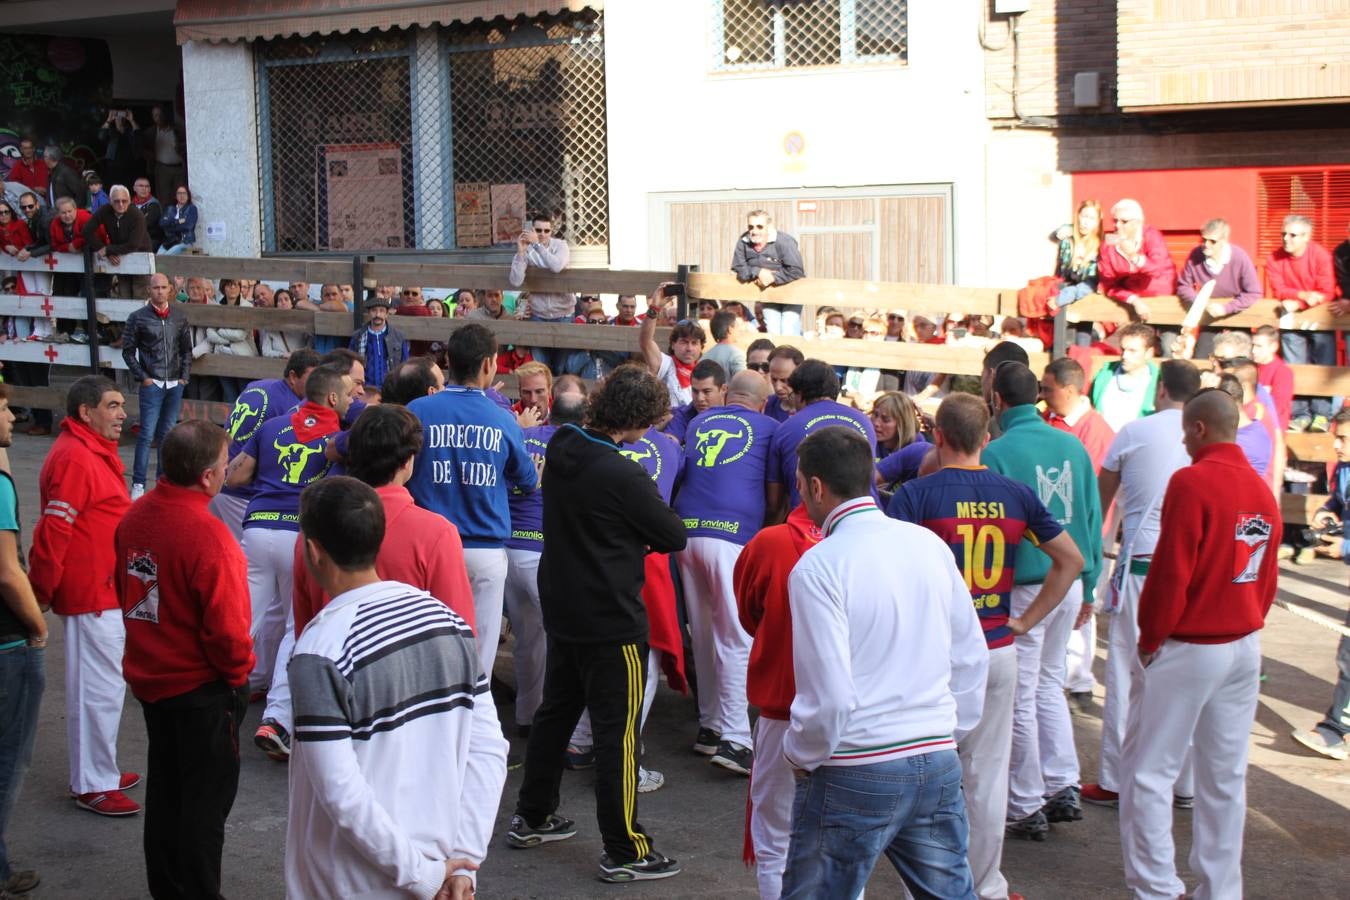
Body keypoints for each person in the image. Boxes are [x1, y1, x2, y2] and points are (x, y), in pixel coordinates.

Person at [889, 393, 1084, 900]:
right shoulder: (1016, 494)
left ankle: (928, 887)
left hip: (938, 651)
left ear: (938, 436)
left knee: (929, 774)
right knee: (988, 775)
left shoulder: (916, 495)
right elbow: (1071, 559)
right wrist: (1025, 620)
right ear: (987, 438)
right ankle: (985, 885)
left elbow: (896, 574)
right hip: (997, 644)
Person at [779, 426, 987, 898]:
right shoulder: (926, 545)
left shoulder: (819, 564)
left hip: (856, 765)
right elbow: (972, 656)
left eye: (799, 482)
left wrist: (798, 751)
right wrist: (946, 734)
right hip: (934, 756)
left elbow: (828, 696)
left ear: (815, 486)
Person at [285, 477, 508, 899]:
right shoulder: (449, 623)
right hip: (441, 868)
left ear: (313, 550)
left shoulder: (320, 647)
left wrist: (420, 874)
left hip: (347, 882)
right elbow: (489, 749)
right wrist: (463, 859)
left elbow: (339, 790)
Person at [508, 365, 687, 883]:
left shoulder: (564, 442)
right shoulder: (624, 472)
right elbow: (671, 533)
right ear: (639, 419)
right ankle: (625, 848)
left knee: (555, 716)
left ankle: (533, 815)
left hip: (563, 606)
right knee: (619, 735)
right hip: (611, 618)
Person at [1119, 390, 1280, 900]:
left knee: (1150, 773)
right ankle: (1220, 889)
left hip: (1192, 643)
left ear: (1199, 429)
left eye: (1187, 431)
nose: (1185, 441)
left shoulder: (1191, 481)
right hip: (1242, 641)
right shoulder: (1260, 489)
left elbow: (1172, 569)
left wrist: (1150, 637)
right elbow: (1268, 578)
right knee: (1224, 776)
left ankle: (1156, 888)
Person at [115, 420, 253, 899]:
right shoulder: (210, 537)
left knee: (168, 795)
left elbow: (131, 594)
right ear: (209, 476)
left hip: (153, 681)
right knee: (202, 809)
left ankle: (168, 887)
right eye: (224, 464)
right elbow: (230, 633)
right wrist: (238, 680)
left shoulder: (136, 517)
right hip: (200, 691)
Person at [983, 362, 1103, 839]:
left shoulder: (998, 452)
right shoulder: (1070, 445)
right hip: (1069, 580)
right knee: (1048, 684)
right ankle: (1060, 782)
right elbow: (1091, 517)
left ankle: (1027, 798)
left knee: (1022, 691)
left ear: (996, 400)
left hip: (1027, 586)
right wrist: (1089, 583)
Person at [1081, 360, 1201, 808]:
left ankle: (1115, 778)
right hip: (1191, 570)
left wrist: (1095, 563)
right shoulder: (1205, 436)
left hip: (1144, 568)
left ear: (1162, 388)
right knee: (1183, 674)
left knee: (1126, 674)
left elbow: (1101, 503)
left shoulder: (1135, 431)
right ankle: (1183, 783)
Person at [225, 365, 351, 760]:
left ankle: (216, 696)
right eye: (347, 395)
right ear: (332, 398)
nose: (352, 401)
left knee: (246, 616)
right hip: (300, 534)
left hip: (258, 528)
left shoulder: (273, 425)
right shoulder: (340, 438)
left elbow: (235, 475)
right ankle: (277, 717)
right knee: (298, 627)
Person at [29, 376, 139, 816]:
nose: (122, 414)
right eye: (112, 406)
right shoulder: (77, 457)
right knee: (97, 690)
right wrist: (40, 592)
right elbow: (55, 529)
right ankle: (93, 782)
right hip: (90, 593)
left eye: (121, 405)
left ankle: (100, 772)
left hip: (103, 589)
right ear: (85, 413)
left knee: (105, 688)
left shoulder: (88, 452)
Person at [406, 324, 538, 679]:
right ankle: (472, 729)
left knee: (427, 647)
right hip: (482, 549)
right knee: (478, 661)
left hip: (427, 546)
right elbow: (528, 482)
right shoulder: (502, 419)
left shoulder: (418, 409)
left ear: (448, 360)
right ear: (488, 365)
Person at [673, 370, 778, 775]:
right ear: (763, 401)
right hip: (732, 534)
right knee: (734, 636)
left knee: (703, 634)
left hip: (688, 533)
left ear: (727, 396)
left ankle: (711, 727)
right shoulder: (769, 427)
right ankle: (736, 740)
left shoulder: (700, 421)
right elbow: (772, 494)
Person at [292, 404, 473, 638]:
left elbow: (304, 627)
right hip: (409, 670)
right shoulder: (437, 533)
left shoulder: (313, 526)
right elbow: (459, 631)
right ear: (408, 461)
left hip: (327, 664)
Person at [734, 499, 822, 900]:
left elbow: (751, 616)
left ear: (810, 485)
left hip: (783, 710)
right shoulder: (890, 545)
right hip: (862, 723)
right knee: (841, 853)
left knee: (776, 845)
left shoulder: (769, 542)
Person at [504, 388, 586, 738]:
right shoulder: (580, 447)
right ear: (583, 421)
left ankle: (527, 716)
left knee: (528, 639)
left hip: (508, 550)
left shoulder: (523, 435)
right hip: (542, 553)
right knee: (573, 639)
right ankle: (576, 728)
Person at [0, 383, 45, 895]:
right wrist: (36, 629)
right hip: (7, 641)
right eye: (4, 409)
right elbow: (8, 572)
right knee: (8, 760)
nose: (12, 417)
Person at [1290, 407, 1350, 761]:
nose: (1336, 446)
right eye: (1334, 437)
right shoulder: (1343, 467)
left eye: (1343, 439)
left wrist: (1344, 545)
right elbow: (1338, 504)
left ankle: (1337, 730)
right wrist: (1327, 515)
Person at [765, 359, 876, 522]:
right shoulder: (865, 421)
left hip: (809, 528)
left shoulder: (787, 428)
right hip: (866, 519)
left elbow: (774, 502)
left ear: (800, 394)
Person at [121, 273, 194, 501]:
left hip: (173, 382)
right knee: (146, 434)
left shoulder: (179, 318)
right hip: (152, 381)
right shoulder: (138, 318)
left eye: (164, 287)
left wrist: (183, 377)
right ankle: (139, 483)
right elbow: (127, 350)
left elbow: (186, 351)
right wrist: (143, 377)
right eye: (156, 288)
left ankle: (163, 482)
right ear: (149, 290)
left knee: (167, 435)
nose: (160, 292)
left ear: (170, 290)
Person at [1269, 215, 1338, 433]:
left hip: (1320, 319)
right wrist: (1301, 296)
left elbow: (1325, 292)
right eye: (1284, 233)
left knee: (1322, 366)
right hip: (1291, 321)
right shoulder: (1274, 258)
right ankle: (1300, 414)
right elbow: (1278, 288)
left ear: (1307, 237)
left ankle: (1321, 414)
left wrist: (1297, 301)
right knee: (1293, 366)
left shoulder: (1320, 256)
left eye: (1292, 235)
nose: (1286, 238)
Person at [509, 212, 573, 374]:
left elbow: (557, 266)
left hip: (563, 314)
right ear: (532, 230)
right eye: (538, 230)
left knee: (560, 367)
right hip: (538, 315)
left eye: (546, 231)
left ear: (552, 231)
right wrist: (521, 253)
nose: (542, 234)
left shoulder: (560, 245)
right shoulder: (528, 249)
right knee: (540, 368)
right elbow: (516, 281)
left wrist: (537, 246)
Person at [1096, 198, 1178, 323]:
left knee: (1167, 341)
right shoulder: (1108, 245)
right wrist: (1133, 299)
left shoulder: (1151, 236)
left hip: (1162, 299)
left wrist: (1134, 257)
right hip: (1132, 303)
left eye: (1124, 221)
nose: (1117, 225)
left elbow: (1157, 270)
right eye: (1115, 220)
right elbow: (1108, 284)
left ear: (1137, 223)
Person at [732, 210, 805, 335]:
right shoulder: (743, 241)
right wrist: (757, 271)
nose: (754, 231)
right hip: (768, 294)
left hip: (791, 292)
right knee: (773, 331)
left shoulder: (784, 241)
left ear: (769, 227)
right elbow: (738, 267)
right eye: (751, 227)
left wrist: (773, 277)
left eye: (759, 226)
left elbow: (796, 270)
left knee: (789, 329)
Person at [1041, 357, 1116, 472]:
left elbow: (1089, 482)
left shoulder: (1096, 433)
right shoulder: (1043, 417)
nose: (1041, 395)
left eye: (1048, 390)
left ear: (1069, 391)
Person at [83, 184, 152, 299]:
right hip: (119, 255)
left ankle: (140, 318)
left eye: (124, 201)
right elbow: (87, 231)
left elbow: (134, 244)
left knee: (140, 293)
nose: (120, 204)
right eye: (116, 201)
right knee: (123, 292)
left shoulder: (137, 215)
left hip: (140, 254)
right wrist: (103, 249)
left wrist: (108, 249)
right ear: (110, 201)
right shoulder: (105, 211)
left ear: (129, 201)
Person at [1089, 322, 1161, 432]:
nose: (1125, 356)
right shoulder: (1104, 375)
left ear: (1149, 353)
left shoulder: (1160, 384)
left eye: (1132, 351)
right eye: (1123, 349)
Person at [639, 305, 706, 407]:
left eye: (694, 343)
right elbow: (645, 342)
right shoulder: (665, 364)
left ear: (701, 346)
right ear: (673, 344)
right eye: (684, 342)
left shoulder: (705, 371)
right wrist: (654, 308)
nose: (689, 348)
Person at [348, 294, 408, 396]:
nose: (377, 314)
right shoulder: (358, 336)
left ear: (387, 314)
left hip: (391, 388)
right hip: (365, 388)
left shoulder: (398, 336)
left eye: (381, 311)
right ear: (369, 313)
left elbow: (405, 362)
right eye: (374, 310)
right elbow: (350, 363)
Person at [663, 359, 726, 444]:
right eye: (695, 391)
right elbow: (669, 444)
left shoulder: (739, 411)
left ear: (723, 389)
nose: (700, 398)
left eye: (706, 391)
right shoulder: (684, 415)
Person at [1251, 324, 1293, 429]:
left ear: (1274, 347)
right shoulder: (1252, 368)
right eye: (1253, 345)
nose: (1253, 351)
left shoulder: (1282, 372)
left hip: (1270, 431)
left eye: (1259, 346)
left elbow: (1277, 408)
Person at [259, 289, 309, 358]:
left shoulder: (301, 322)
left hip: (299, 362)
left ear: (292, 304)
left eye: (286, 299)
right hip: (278, 364)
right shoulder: (271, 327)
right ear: (276, 305)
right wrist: (283, 355)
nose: (283, 302)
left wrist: (301, 352)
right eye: (279, 300)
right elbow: (266, 351)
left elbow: (311, 342)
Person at [764, 344, 803, 421]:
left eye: (785, 380)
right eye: (774, 380)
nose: (778, 387)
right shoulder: (765, 405)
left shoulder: (814, 409)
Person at [702, 310, 746, 377]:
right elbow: (742, 381)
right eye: (737, 326)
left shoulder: (704, 357)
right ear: (730, 329)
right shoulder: (737, 355)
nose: (739, 330)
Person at [157, 185, 197, 255]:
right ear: (175, 196)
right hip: (168, 242)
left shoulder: (192, 208)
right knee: (156, 259)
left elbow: (188, 226)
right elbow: (162, 223)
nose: (182, 196)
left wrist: (169, 226)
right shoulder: (169, 208)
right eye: (179, 193)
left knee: (165, 258)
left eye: (184, 193)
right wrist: (178, 221)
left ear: (188, 195)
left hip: (184, 242)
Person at [512, 361, 553, 425]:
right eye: (527, 393)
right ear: (520, 392)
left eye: (539, 392)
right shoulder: (511, 417)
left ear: (549, 390)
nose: (533, 400)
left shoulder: (562, 413)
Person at [132, 177, 165, 249]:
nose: (144, 189)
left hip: (151, 241)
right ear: (134, 188)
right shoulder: (130, 205)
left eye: (147, 186)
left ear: (150, 189)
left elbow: (146, 224)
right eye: (141, 186)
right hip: (135, 239)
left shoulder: (154, 204)